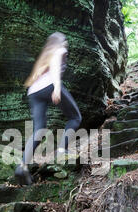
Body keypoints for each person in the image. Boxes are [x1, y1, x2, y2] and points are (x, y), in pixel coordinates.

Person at [15, 32, 82, 186]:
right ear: (61, 41)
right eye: (65, 40)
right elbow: (56, 65)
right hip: (50, 85)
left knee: (39, 129)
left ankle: (22, 166)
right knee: (75, 117)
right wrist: (57, 87)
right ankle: (61, 150)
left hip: (34, 92)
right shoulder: (59, 50)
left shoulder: (44, 56)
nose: (66, 43)